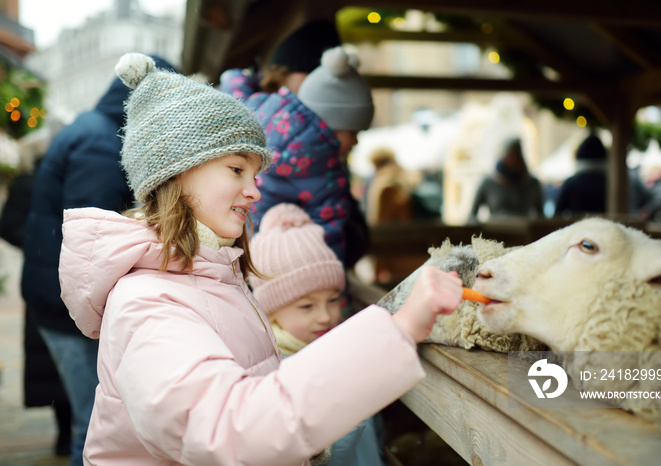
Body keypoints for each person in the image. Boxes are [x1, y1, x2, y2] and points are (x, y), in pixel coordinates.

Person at [57, 53, 462, 466]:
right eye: (236, 169)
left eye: (255, 174)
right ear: (177, 172)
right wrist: (398, 329)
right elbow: (230, 432)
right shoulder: (148, 303)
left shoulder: (212, 274)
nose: (254, 190)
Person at [20, 55, 174, 466]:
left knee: (91, 421)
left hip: (54, 297)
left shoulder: (94, 129)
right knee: (96, 428)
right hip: (68, 307)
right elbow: (96, 238)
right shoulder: (101, 143)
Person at [249, 202, 386, 466]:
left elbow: (375, 435)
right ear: (272, 311)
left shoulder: (343, 352)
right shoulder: (276, 374)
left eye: (333, 300)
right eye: (307, 306)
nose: (325, 316)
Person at [220, 44, 373, 269]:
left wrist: (236, 76)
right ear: (334, 124)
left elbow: (234, 88)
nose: (356, 142)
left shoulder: (258, 110)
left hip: (233, 249)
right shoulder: (326, 171)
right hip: (274, 265)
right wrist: (337, 295)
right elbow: (329, 243)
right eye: (354, 132)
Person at [0, 116, 72, 457]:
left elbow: (7, 225)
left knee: (53, 359)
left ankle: (66, 431)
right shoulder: (40, 180)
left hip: (43, 279)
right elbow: (9, 225)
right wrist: (39, 245)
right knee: (58, 357)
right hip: (55, 277)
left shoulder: (37, 179)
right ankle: (65, 432)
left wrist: (36, 247)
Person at [555, 134, 651, 216]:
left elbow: (557, 214)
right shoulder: (614, 182)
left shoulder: (571, 183)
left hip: (578, 235)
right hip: (608, 234)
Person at [468, 138, 543, 223]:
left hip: (525, 233)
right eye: (511, 155)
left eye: (517, 156)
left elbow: (541, 218)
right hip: (495, 232)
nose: (514, 160)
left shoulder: (532, 184)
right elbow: (471, 216)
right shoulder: (488, 183)